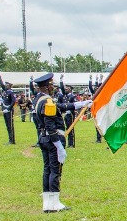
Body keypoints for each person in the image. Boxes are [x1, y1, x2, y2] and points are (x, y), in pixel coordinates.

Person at [32, 73, 91, 212]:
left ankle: (48, 203)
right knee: (55, 170)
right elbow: (50, 123)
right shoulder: (47, 101)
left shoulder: (39, 99)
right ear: (47, 86)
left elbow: (59, 107)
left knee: (47, 170)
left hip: (43, 138)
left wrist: (81, 104)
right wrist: (59, 145)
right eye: (51, 84)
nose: (53, 87)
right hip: (53, 140)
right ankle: (55, 202)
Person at [0, 72, 17, 144]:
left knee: (10, 125)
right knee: (7, 125)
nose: (5, 85)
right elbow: (1, 84)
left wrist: (8, 108)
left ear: (9, 86)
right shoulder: (5, 91)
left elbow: (14, 101)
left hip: (9, 111)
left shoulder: (11, 92)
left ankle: (12, 140)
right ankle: (10, 139)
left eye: (7, 85)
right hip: (5, 110)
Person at [58, 78, 78, 148]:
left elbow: (75, 105)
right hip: (66, 114)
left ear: (70, 89)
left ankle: (72, 144)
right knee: (67, 128)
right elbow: (62, 88)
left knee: (71, 129)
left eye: (67, 89)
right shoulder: (65, 96)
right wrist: (61, 81)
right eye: (65, 89)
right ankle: (69, 143)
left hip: (70, 114)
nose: (65, 90)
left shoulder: (72, 96)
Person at [88, 75, 104, 143]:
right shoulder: (95, 94)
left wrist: (100, 80)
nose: (96, 89)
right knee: (97, 125)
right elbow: (90, 87)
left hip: (100, 111)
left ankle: (100, 138)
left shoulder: (101, 93)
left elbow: (100, 86)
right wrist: (90, 80)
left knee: (100, 125)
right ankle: (98, 138)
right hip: (96, 111)